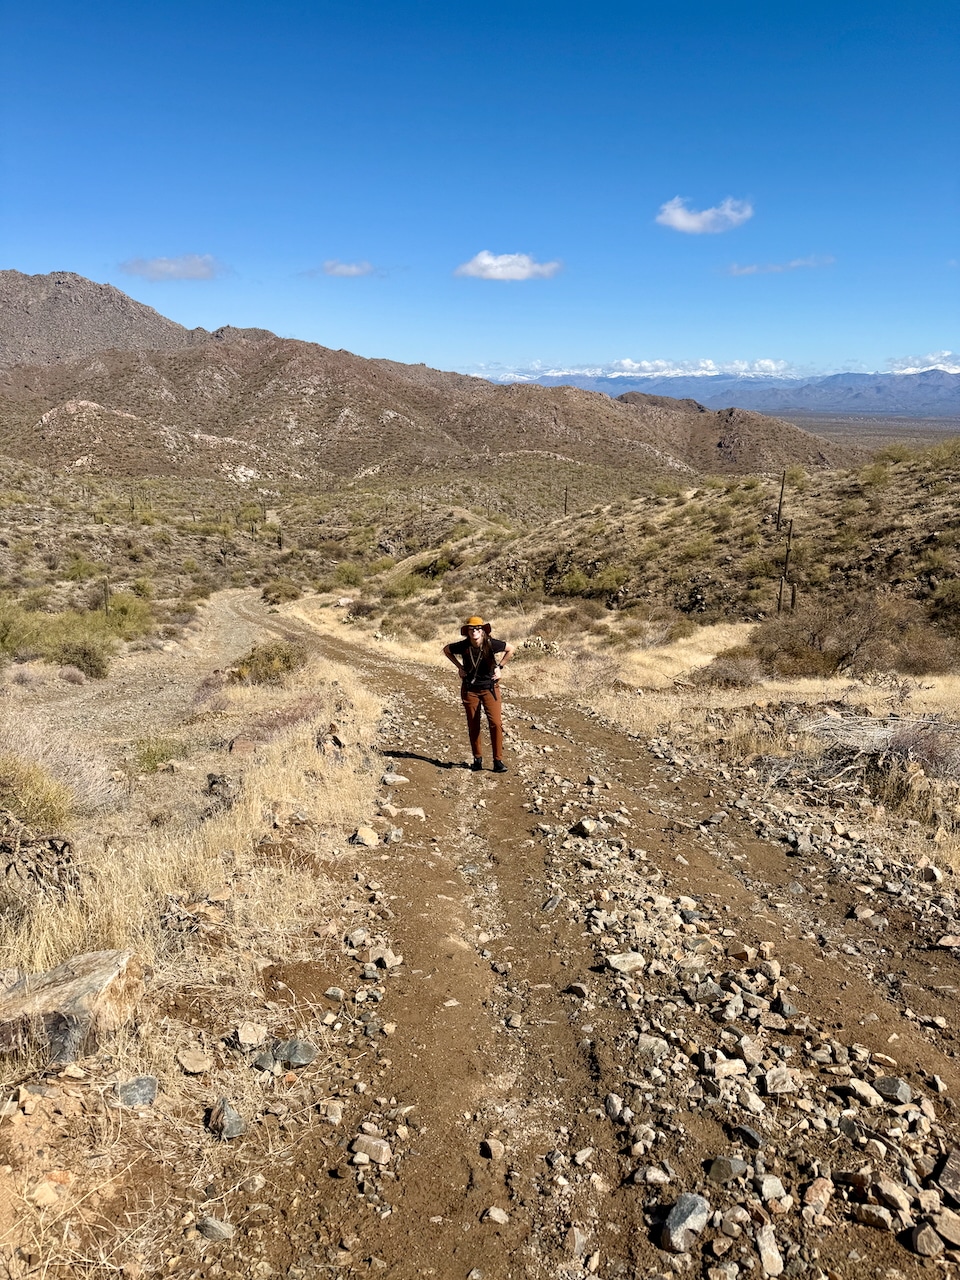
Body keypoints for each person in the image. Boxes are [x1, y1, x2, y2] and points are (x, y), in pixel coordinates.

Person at [443, 617, 514, 773]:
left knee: (495, 723)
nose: (475, 631)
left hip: (490, 688)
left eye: (478, 628)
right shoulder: (463, 646)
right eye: (471, 629)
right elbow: (446, 650)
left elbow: (511, 648)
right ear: (467, 632)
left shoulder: (491, 644)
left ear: (483, 631)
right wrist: (459, 667)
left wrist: (499, 667)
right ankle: (477, 759)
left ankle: (498, 761)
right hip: (470, 689)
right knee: (473, 724)